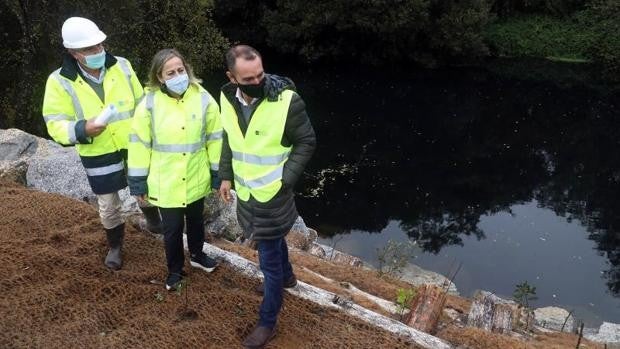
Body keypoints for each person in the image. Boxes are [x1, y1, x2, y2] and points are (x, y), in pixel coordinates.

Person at [42, 17, 162, 271]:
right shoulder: (60, 81)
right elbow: (54, 123)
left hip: (133, 144)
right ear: (73, 53)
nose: (98, 52)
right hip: (98, 152)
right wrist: (82, 128)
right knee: (108, 204)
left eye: (99, 45)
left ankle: (153, 220)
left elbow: (141, 104)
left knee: (145, 187)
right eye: (89, 49)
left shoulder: (123, 66)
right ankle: (116, 246)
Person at [218, 45, 316, 348]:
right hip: (246, 193)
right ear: (232, 77)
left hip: (274, 196)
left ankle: (267, 321)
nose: (257, 82)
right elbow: (229, 137)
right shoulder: (226, 98)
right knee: (273, 246)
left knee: (268, 261)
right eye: (248, 79)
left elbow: (306, 142)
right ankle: (288, 278)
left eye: (260, 74)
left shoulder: (287, 101)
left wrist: (285, 180)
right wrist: (225, 175)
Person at [127, 48, 222, 291]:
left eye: (181, 70)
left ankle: (198, 255)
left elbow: (215, 138)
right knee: (172, 229)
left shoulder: (203, 98)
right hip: (166, 179)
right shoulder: (148, 104)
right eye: (171, 72)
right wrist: (138, 182)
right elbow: (139, 145)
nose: (178, 75)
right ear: (159, 77)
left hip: (196, 174)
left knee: (196, 221)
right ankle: (175, 272)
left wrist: (217, 172)